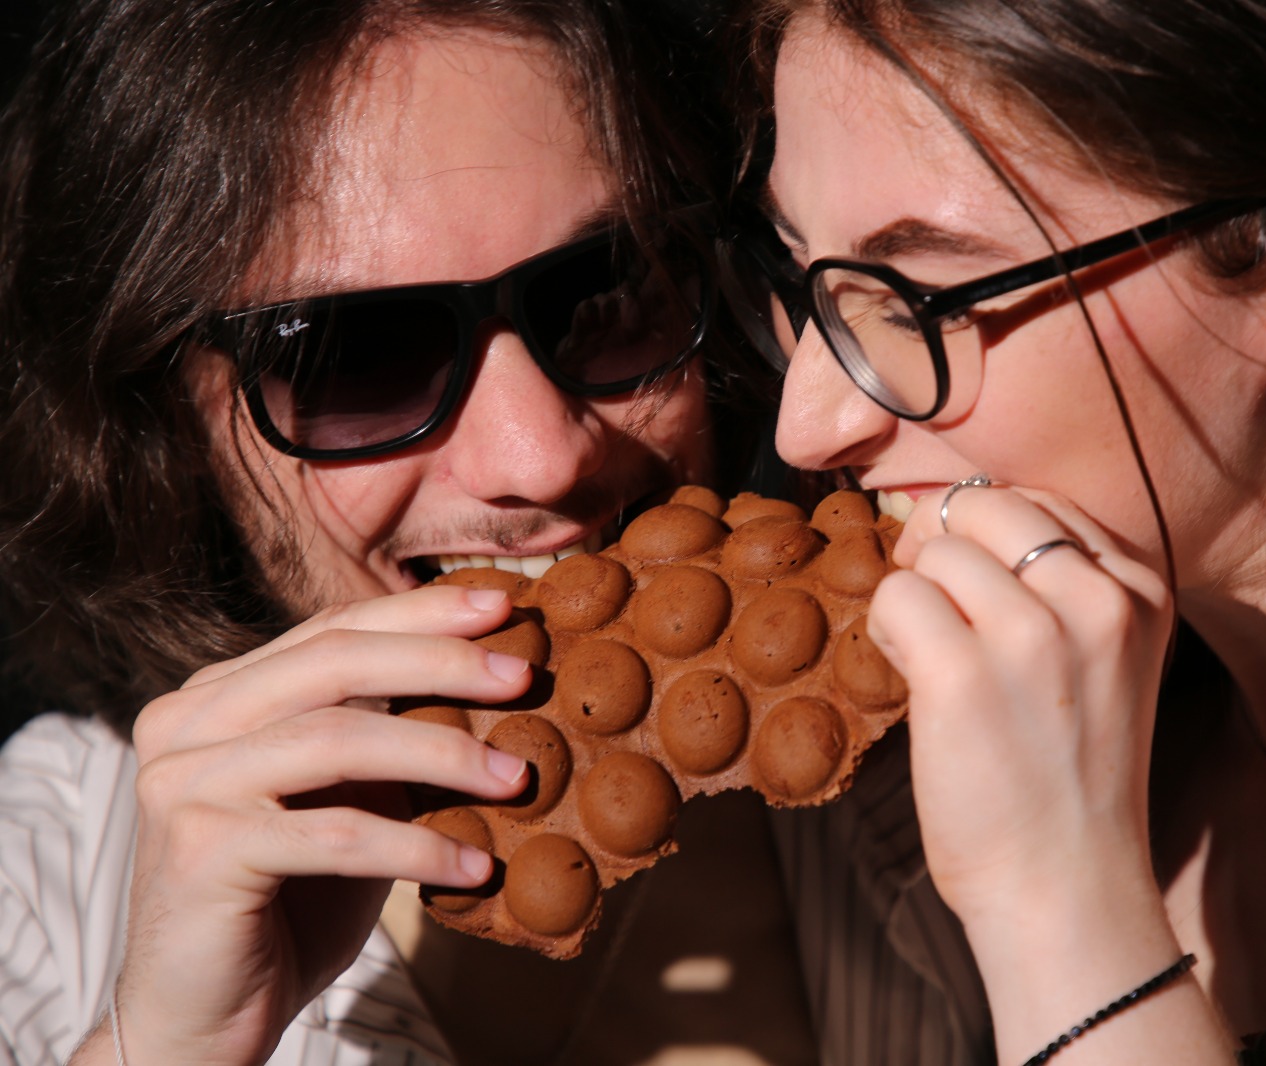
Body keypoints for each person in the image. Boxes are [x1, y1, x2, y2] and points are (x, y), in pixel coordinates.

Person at [722, 0, 1266, 1062]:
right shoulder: (1015, 767)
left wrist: (1057, 905)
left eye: (917, 300)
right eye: (797, 275)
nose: (807, 424)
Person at [0, 1, 817, 1064]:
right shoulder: (35, 887)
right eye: (360, 355)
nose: (541, 458)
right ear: (165, 427)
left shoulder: (974, 768)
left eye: (608, 287)